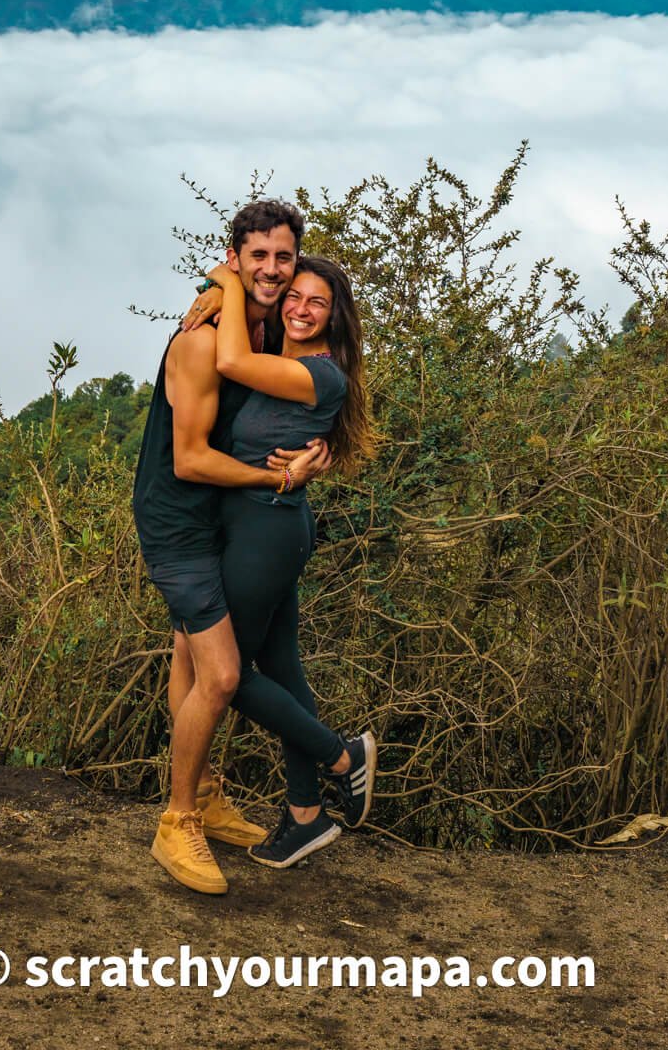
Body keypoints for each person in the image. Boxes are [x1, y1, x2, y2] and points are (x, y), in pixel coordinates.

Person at [132, 198, 330, 894]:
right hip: (177, 520)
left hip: (221, 516)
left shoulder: (261, 329)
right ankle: (177, 821)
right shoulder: (201, 338)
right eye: (258, 258)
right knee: (220, 674)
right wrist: (275, 479)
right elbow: (188, 459)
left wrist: (315, 449)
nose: (273, 269)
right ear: (237, 258)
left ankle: (207, 794)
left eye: (284, 256)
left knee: (190, 652)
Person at [208, 251, 379, 869]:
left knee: (223, 674)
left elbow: (228, 360)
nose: (301, 310)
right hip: (264, 526)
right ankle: (306, 815)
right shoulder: (283, 360)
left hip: (267, 533)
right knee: (282, 672)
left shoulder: (318, 374)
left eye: (317, 303)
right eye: (294, 297)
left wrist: (226, 278)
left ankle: (342, 756)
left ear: (336, 318)